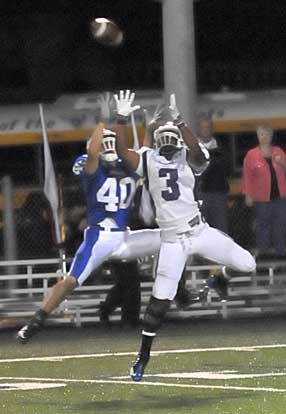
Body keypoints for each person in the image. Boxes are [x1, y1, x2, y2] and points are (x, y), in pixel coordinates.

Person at [113, 89, 256, 381]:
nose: (166, 140)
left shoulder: (188, 158)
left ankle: (219, 279)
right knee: (159, 302)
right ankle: (142, 357)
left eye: (171, 136)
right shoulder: (149, 160)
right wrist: (120, 119)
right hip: (171, 241)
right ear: (155, 140)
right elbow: (121, 152)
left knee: (248, 263)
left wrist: (179, 121)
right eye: (162, 135)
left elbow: (197, 151)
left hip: (198, 230)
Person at [17, 122, 161, 343]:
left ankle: (180, 292)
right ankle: (36, 321)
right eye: (106, 144)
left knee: (176, 236)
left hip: (125, 237)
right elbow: (92, 154)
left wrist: (146, 129)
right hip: (99, 238)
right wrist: (103, 123)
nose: (111, 148)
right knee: (71, 281)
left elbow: (143, 152)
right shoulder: (93, 170)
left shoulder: (129, 166)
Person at [242, 124, 286, 258]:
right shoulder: (251, 154)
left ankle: (280, 252)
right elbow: (247, 176)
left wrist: (282, 163)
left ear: (272, 136)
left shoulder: (279, 151)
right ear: (258, 136)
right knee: (263, 225)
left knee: (280, 224)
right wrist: (248, 194)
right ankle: (263, 253)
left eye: (267, 134)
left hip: (280, 197)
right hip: (261, 199)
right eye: (262, 134)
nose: (265, 137)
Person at [195, 113, 229, 233]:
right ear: (198, 129)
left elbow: (227, 169)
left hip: (219, 194)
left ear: (212, 129)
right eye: (203, 127)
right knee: (201, 231)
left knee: (221, 230)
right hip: (200, 195)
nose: (206, 130)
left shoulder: (223, 147)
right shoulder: (193, 149)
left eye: (208, 127)